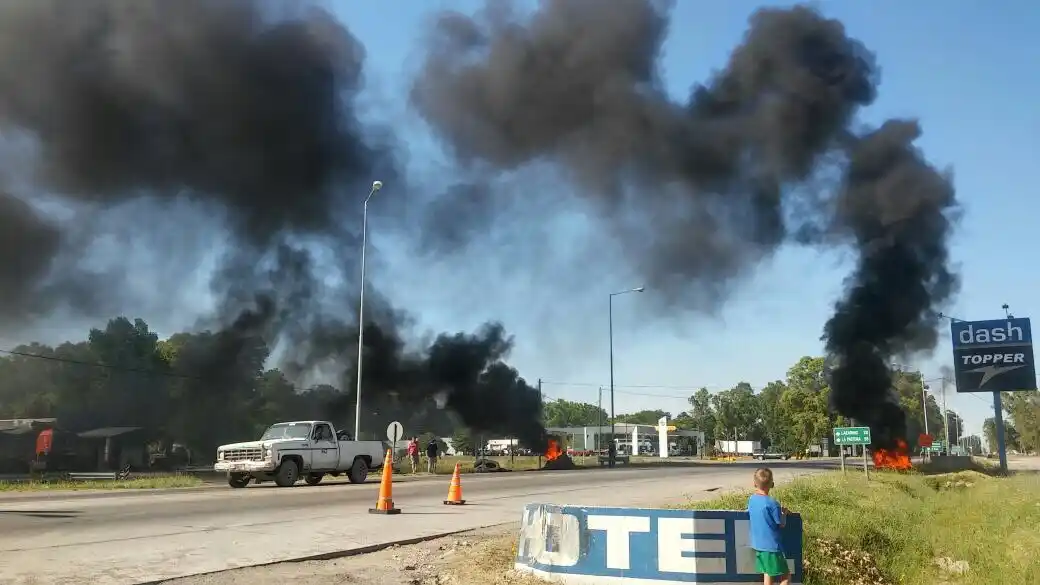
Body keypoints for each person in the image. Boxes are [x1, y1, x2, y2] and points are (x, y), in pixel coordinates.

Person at [747, 468, 791, 585]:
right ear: (772, 484)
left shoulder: (751, 499)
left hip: (758, 544)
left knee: (768, 573)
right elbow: (781, 523)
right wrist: (784, 514)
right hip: (772, 546)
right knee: (786, 575)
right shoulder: (772, 503)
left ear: (754, 483)